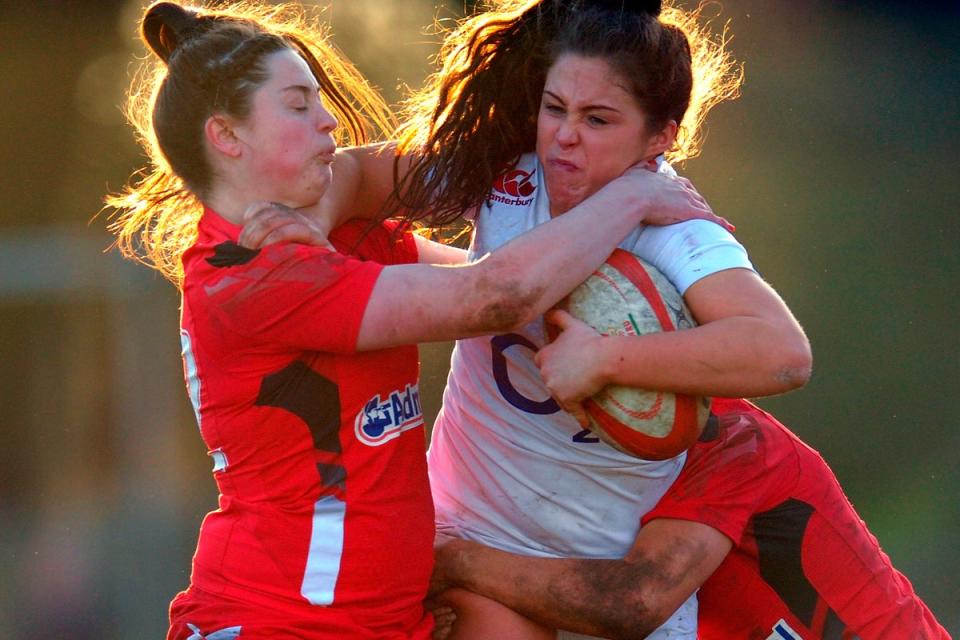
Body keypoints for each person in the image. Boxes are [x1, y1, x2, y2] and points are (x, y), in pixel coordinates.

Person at [243, 0, 948, 638]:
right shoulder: (507, 175)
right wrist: (309, 219)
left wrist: (609, 359)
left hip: (593, 566)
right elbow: (366, 177)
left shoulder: (674, 226)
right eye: (556, 109)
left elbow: (781, 353)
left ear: (659, 137)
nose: (565, 139)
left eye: (598, 120)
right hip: (470, 530)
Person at [104, 2, 728, 639]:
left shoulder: (343, 238)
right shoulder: (248, 276)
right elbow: (498, 294)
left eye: (319, 100)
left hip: (381, 624)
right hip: (277, 621)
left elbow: (501, 275)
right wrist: (637, 191)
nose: (327, 121)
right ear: (227, 137)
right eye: (297, 105)